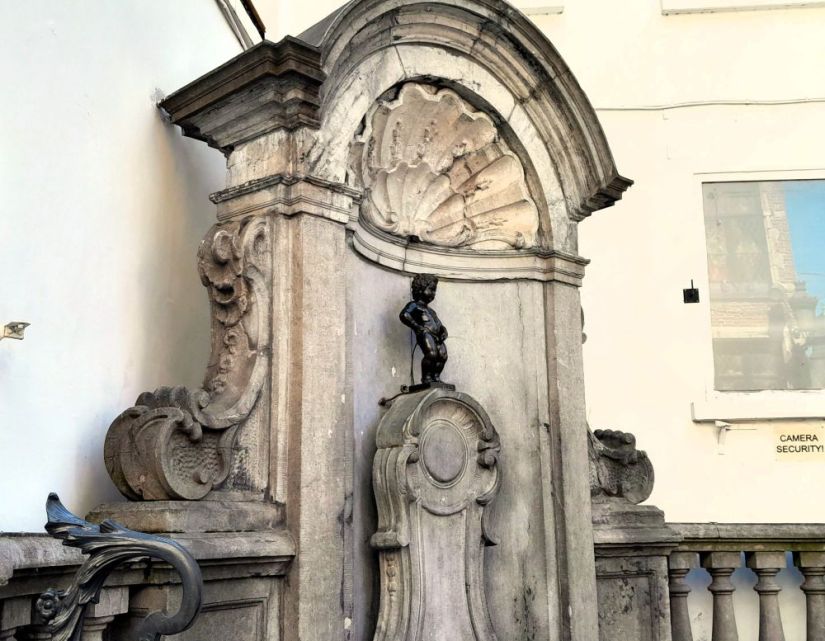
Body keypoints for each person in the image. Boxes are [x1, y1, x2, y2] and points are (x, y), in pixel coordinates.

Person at [399, 274, 448, 384]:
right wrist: (416, 327)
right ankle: (426, 378)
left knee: (443, 356)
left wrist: (444, 331)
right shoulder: (414, 305)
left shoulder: (431, 311)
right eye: (431, 290)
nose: (433, 294)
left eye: (434, 291)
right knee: (432, 354)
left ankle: (436, 377)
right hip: (425, 333)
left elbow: (439, 324)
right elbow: (404, 315)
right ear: (420, 289)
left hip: (436, 336)